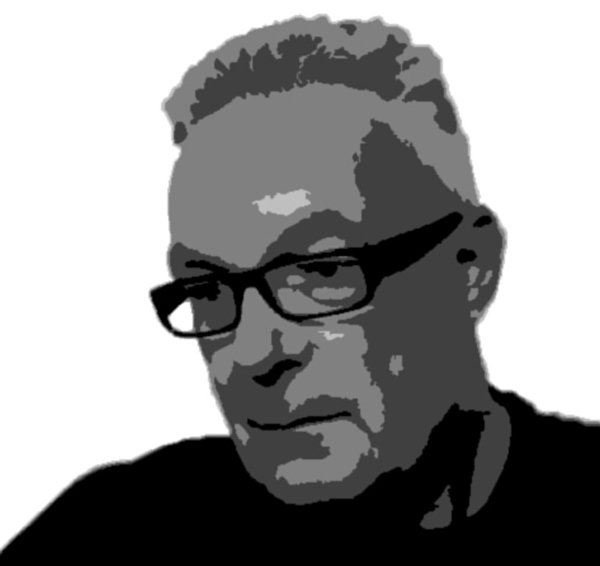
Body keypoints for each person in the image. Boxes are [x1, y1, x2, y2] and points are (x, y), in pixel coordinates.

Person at [2, 15, 599, 560]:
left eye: (320, 272)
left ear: (469, 267)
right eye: (208, 288)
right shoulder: (114, 536)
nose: (253, 355)